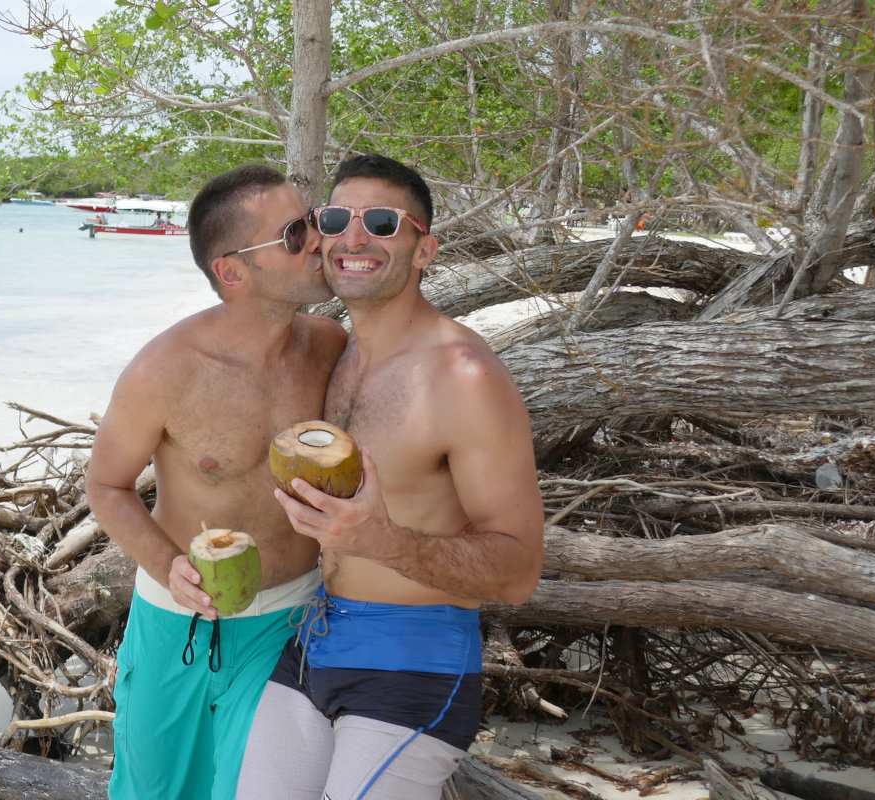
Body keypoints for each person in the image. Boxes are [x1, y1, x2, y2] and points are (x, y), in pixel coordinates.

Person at [237, 154, 544, 800]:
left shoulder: (463, 375)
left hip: (413, 664)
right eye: (337, 219)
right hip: (311, 646)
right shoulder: (334, 356)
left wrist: (378, 539)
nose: (354, 238)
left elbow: (519, 572)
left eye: (381, 223)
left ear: (424, 249)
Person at [86, 164, 347, 800]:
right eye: (293, 234)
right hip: (175, 623)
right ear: (232, 270)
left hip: (287, 621)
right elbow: (108, 487)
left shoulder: (330, 348)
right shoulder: (164, 370)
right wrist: (169, 562)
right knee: (153, 791)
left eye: (311, 221)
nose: (317, 239)